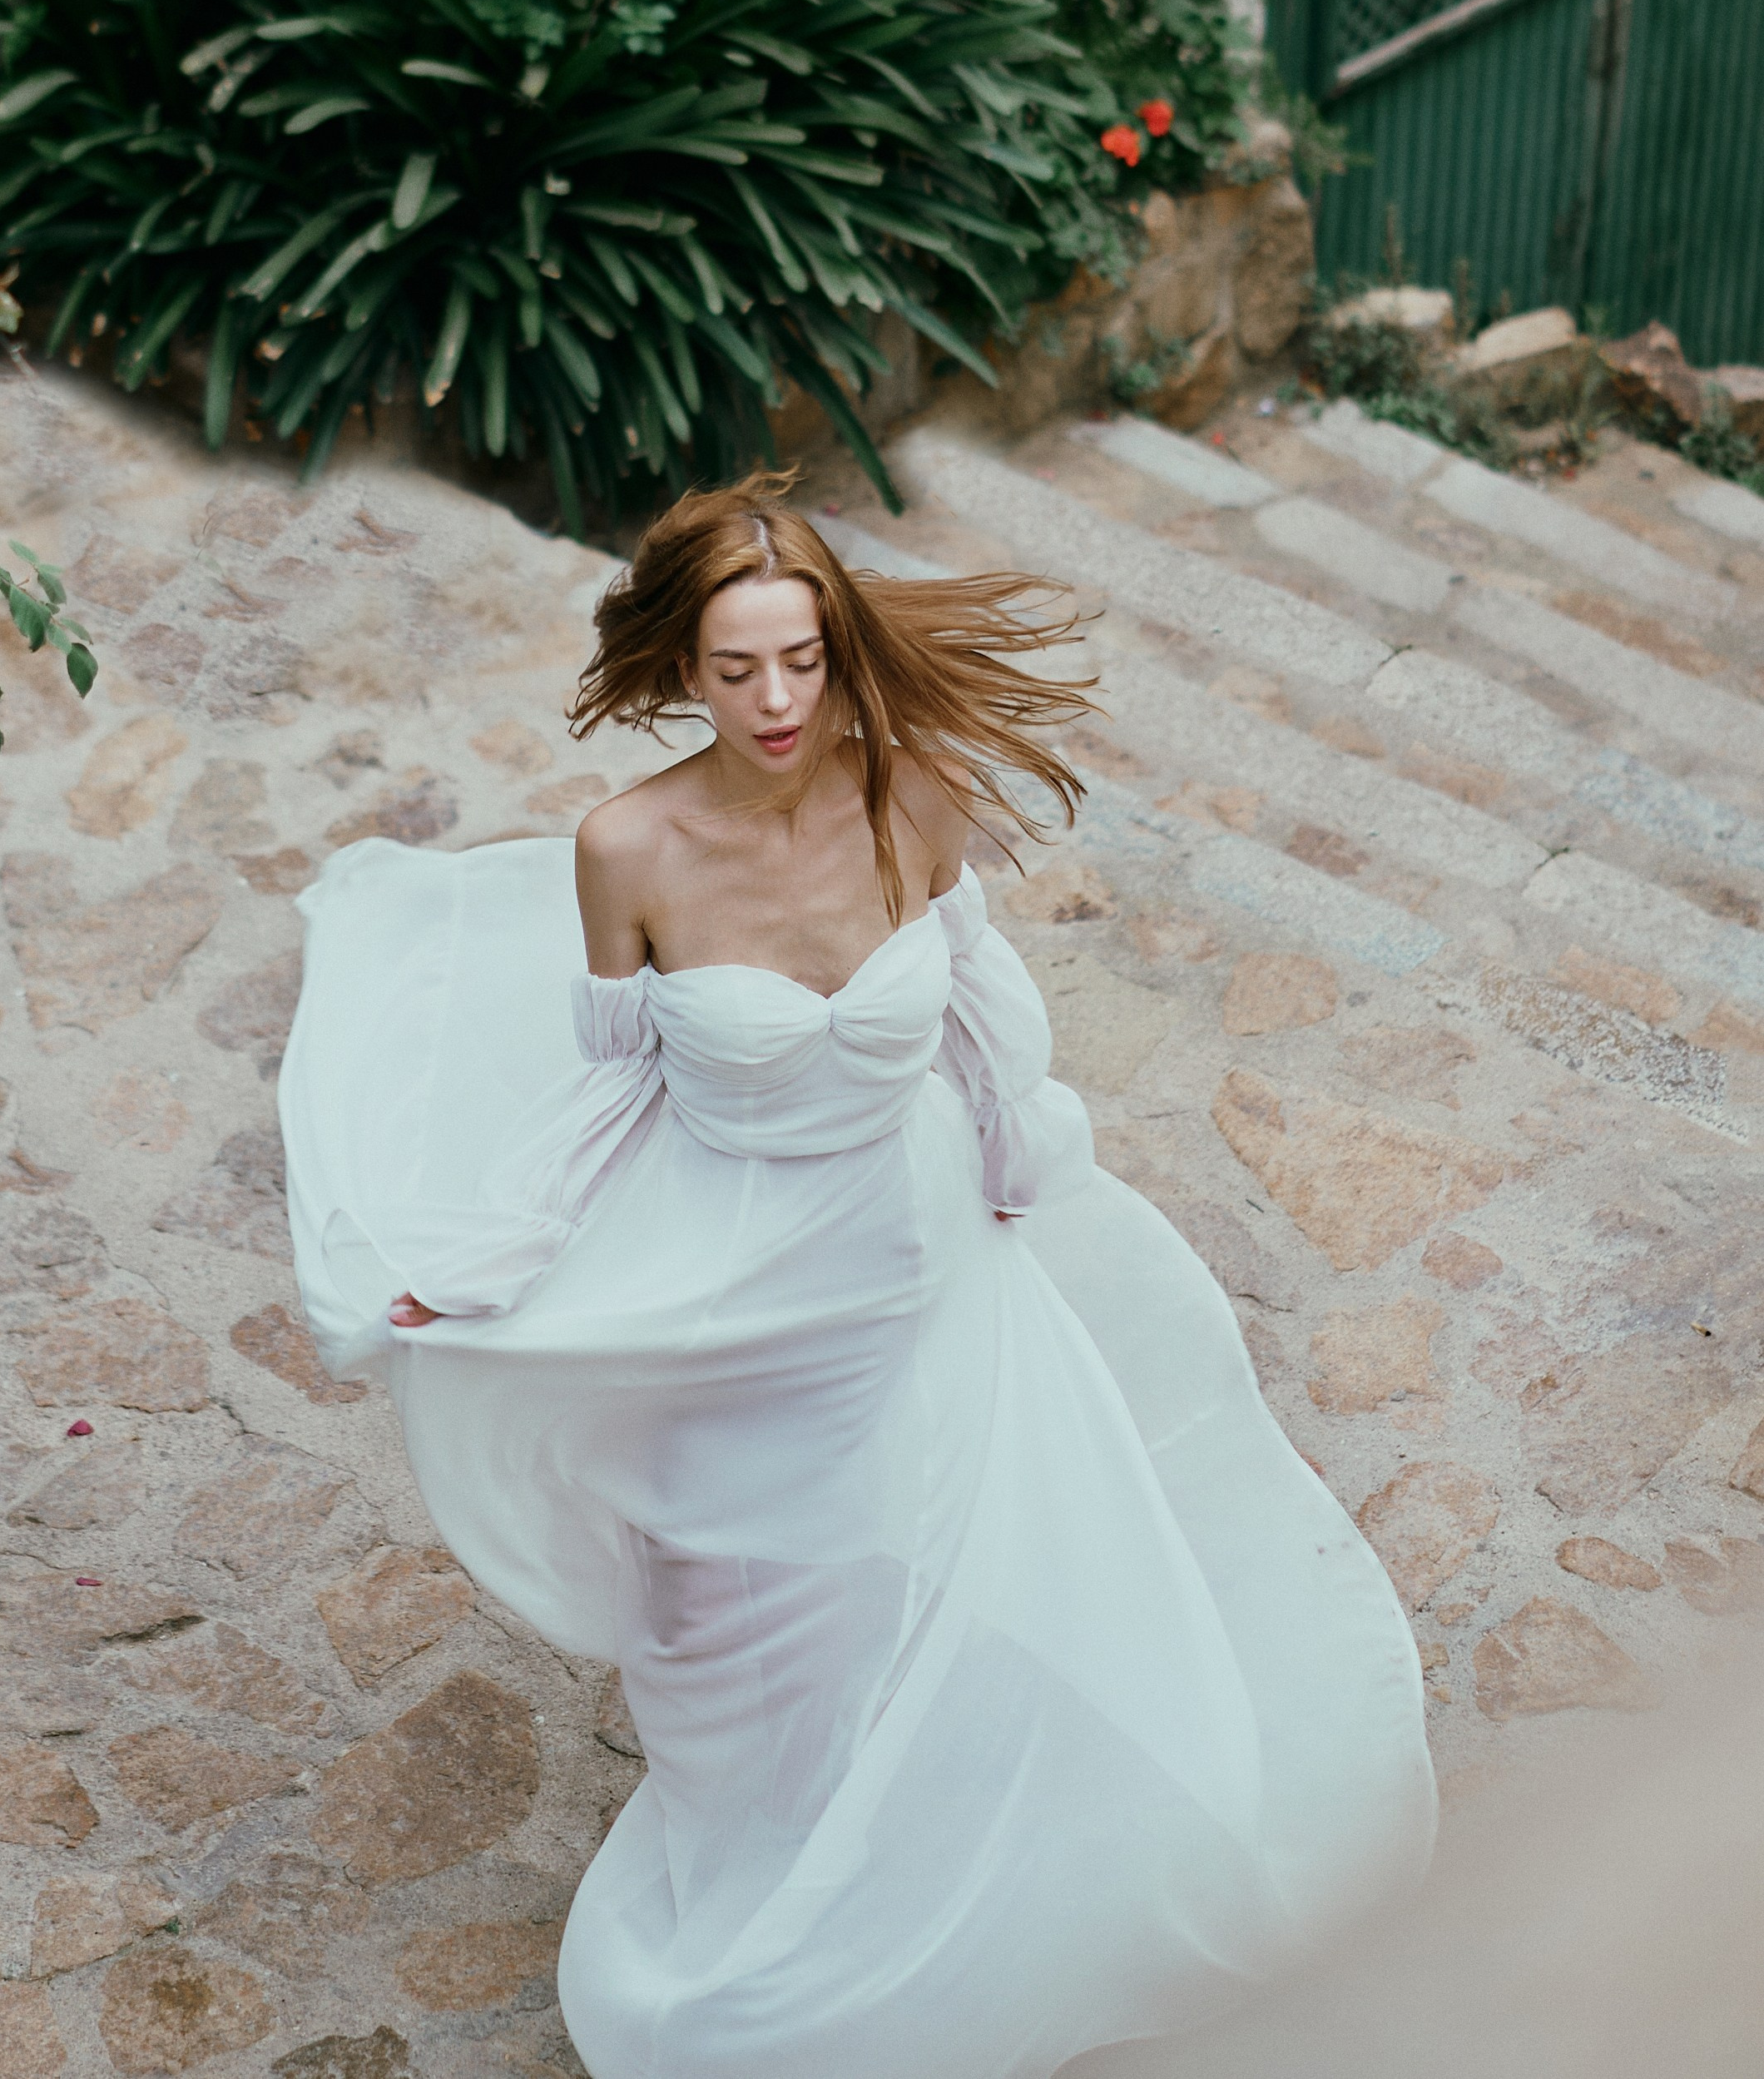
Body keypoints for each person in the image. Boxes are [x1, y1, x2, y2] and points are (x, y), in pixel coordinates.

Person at [280, 474, 1434, 2079]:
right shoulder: (628, 847)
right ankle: (773, 1889)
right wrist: (490, 1262)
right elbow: (613, 1089)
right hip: (733, 1278)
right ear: (681, 668)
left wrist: (1022, 1156)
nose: (775, 701)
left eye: (802, 661)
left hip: (915, 1252)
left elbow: (972, 1004)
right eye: (736, 667)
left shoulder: (914, 794)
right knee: (718, 1609)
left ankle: (956, 1853)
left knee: (944, 1549)